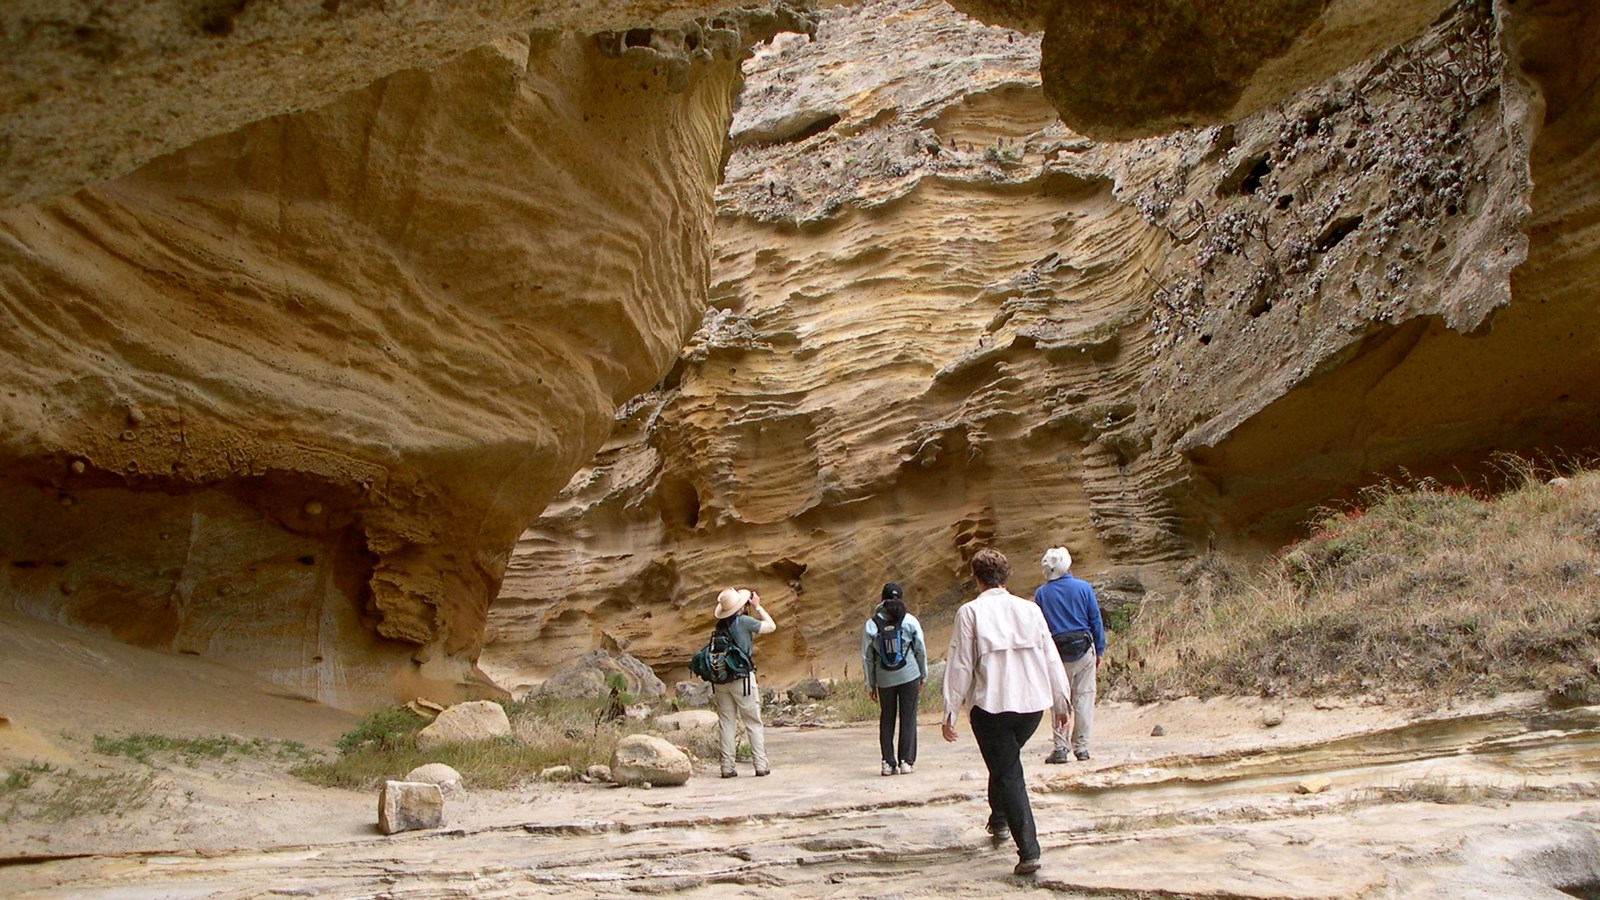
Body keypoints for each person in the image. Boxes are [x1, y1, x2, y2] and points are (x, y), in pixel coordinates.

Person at [942, 548, 1071, 877]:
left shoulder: (970, 612)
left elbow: (960, 664)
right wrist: (1061, 702)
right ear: (1005, 576)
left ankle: (1029, 851)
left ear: (976, 579)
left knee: (1009, 772)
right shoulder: (1030, 610)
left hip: (992, 707)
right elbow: (1050, 656)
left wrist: (950, 710)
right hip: (1031, 707)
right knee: (1005, 762)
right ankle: (998, 819)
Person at [1034, 547, 1104, 763]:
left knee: (1059, 701)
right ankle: (1081, 748)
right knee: (1084, 698)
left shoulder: (1041, 593)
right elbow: (1095, 620)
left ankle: (1060, 748)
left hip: (1056, 654)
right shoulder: (1083, 588)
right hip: (1084, 650)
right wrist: (1099, 649)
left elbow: (1039, 627)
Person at [862, 582, 929, 776]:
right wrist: (923, 675)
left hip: (884, 679)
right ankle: (906, 761)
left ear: (882, 599)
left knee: (887, 718)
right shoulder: (909, 620)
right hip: (909, 675)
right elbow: (920, 649)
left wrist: (870, 684)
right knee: (908, 718)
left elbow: (867, 657)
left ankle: (888, 763)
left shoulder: (872, 624)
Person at [710, 587, 776, 778]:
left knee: (726, 723)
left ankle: (727, 767)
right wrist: (758, 607)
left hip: (721, 680)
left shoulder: (719, 626)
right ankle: (760, 765)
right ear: (741, 606)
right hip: (743, 679)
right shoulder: (744, 621)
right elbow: (770, 626)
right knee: (753, 722)